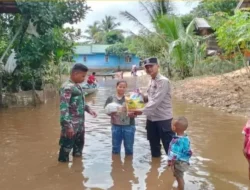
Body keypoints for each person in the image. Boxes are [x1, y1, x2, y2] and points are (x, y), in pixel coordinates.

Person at [135, 57, 174, 158]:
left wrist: (141, 111)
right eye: (146, 67)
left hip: (163, 119)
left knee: (169, 147)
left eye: (151, 66)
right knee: (154, 146)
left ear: (158, 66)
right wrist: (140, 97)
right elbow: (150, 98)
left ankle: (172, 171)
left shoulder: (163, 81)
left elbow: (156, 101)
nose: (149, 69)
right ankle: (155, 167)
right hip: (151, 119)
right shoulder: (151, 80)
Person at [58, 63, 97, 162]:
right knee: (66, 150)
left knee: (78, 149)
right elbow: (64, 107)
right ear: (75, 74)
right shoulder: (67, 87)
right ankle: (62, 171)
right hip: (71, 126)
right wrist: (68, 126)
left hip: (80, 124)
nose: (84, 78)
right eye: (83, 76)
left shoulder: (78, 86)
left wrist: (89, 110)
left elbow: (79, 103)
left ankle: (78, 171)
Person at [104, 80, 137, 155]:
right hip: (116, 126)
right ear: (116, 87)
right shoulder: (111, 98)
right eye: (120, 87)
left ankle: (128, 165)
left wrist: (134, 114)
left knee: (129, 148)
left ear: (126, 88)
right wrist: (112, 112)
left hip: (129, 126)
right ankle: (116, 165)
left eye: (124, 87)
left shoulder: (130, 98)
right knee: (115, 148)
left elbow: (135, 112)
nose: (122, 88)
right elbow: (106, 111)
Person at [168, 117, 192, 190]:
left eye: (171, 125)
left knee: (179, 177)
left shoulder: (177, 141)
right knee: (180, 175)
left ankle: (180, 188)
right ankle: (181, 185)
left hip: (178, 162)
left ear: (174, 128)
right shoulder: (186, 138)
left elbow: (174, 154)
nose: (170, 126)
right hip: (184, 161)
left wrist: (170, 163)